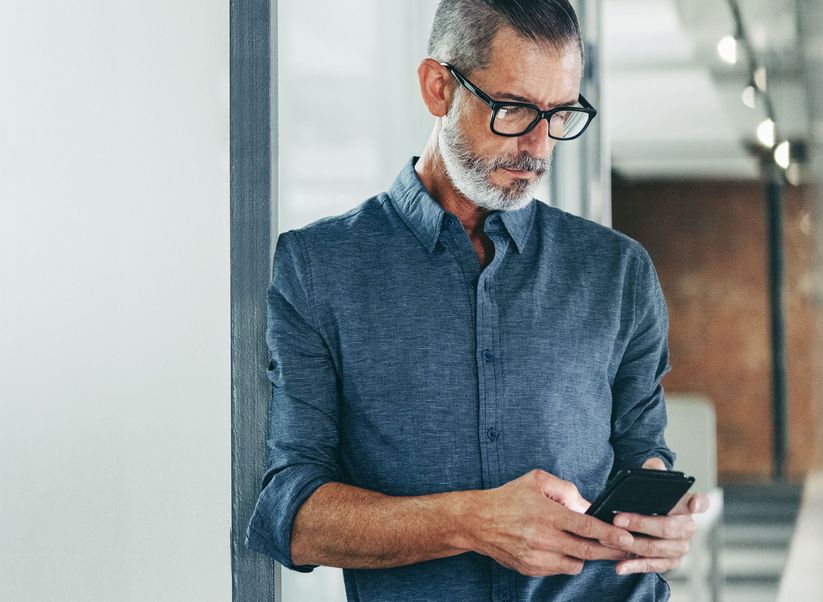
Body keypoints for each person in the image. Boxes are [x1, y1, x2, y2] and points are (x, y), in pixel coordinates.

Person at [245, 1, 710, 600]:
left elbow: (643, 450)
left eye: (560, 113)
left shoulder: (617, 271)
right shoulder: (318, 269)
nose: (539, 147)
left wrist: (660, 520)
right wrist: (472, 522)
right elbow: (294, 516)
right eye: (515, 109)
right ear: (439, 88)